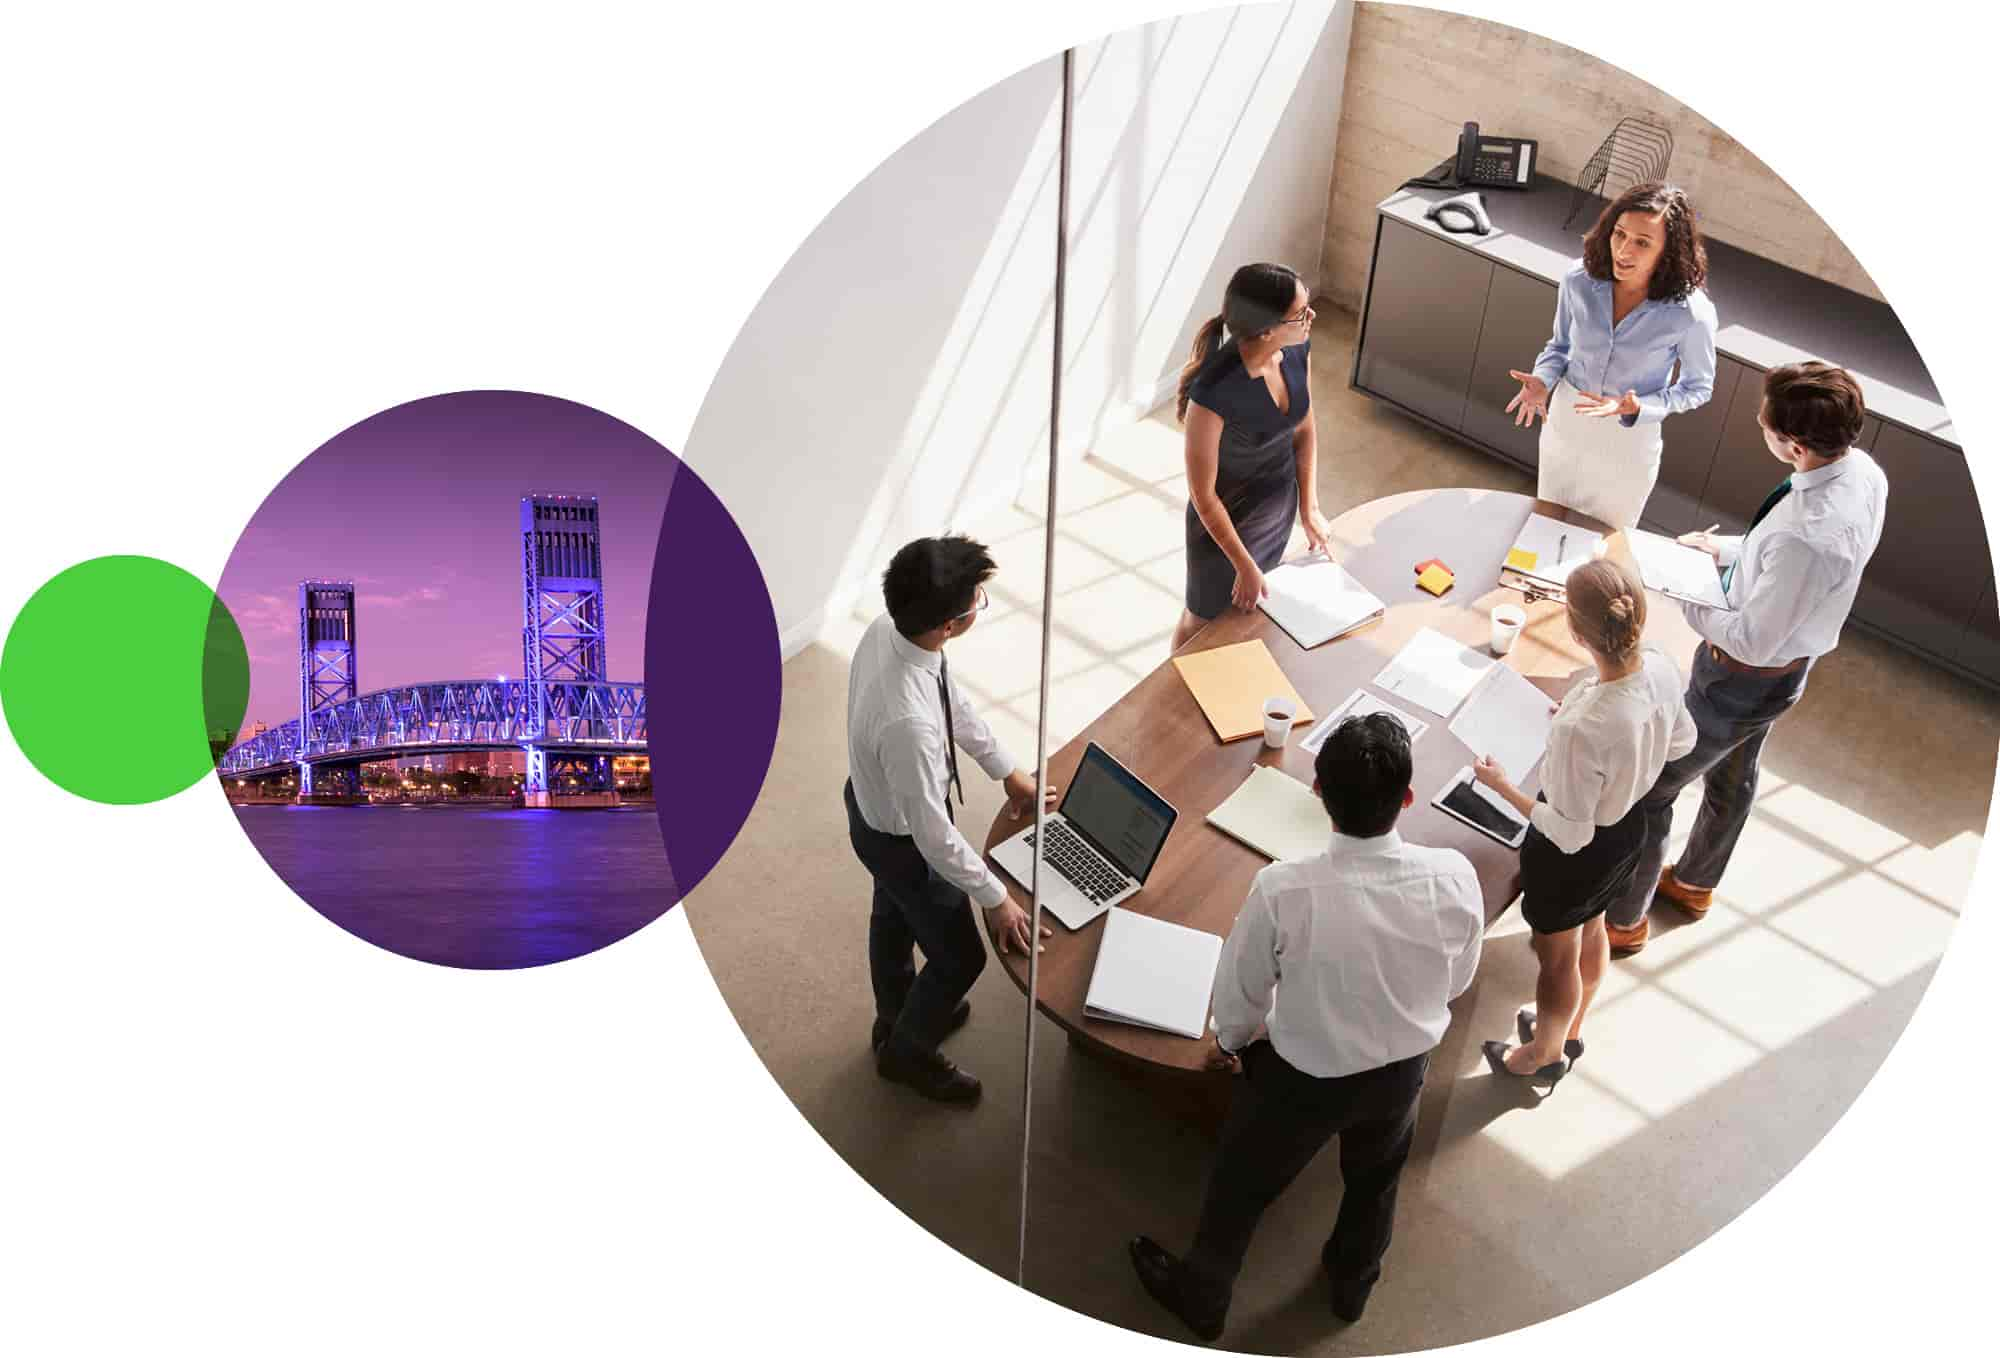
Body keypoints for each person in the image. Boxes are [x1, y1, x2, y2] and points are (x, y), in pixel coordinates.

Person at [1127, 713, 1483, 1340]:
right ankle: (1351, 1288)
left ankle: (1203, 1298)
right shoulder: (1454, 875)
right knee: (1375, 1182)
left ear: (1318, 794)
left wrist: (1230, 1043)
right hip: (1400, 1074)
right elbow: (1457, 979)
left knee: (1240, 1189)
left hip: (1300, 1083)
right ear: (1406, 798)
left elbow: (1239, 995)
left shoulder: (1283, 889)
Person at [1603, 361, 1888, 954]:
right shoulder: (1862, 473)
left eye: (1765, 423)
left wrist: (1686, 595)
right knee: (1733, 772)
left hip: (1740, 679)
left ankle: (1624, 921)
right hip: (1783, 673)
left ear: (1795, 444)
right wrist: (1724, 550)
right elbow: (1776, 556)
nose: (1758, 426)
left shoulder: (1807, 537)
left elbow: (1753, 635)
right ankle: (1694, 883)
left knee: (1653, 788)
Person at [844, 534, 1057, 1103]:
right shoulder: (907, 726)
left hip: (868, 809)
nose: (979, 602)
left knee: (891, 919)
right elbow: (934, 838)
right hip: (899, 837)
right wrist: (997, 897)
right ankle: (908, 1056)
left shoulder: (888, 632)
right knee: (962, 957)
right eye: (976, 600)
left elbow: (951, 702)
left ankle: (894, 1021)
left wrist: (1006, 771)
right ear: (948, 625)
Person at [1467, 560, 1696, 1083]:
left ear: (1574, 630)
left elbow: (1569, 831)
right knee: (1593, 927)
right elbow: (1682, 741)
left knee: (1556, 958)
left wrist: (1502, 785)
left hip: (1573, 855)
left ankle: (1543, 1054)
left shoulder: (1584, 729)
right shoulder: (1659, 668)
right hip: (1627, 834)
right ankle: (1571, 1030)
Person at [1505, 181, 1718, 529]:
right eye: (1619, 234)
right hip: (1567, 423)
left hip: (1627, 440)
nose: (1623, 251)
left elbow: (1698, 388)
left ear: (1668, 252)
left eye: (1642, 243)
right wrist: (1542, 380)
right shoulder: (1579, 280)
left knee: (1603, 546)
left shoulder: (1690, 313)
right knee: (1545, 527)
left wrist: (1639, 407)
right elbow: (1559, 346)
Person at [1171, 262, 1329, 652]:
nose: (1311, 318)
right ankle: (1169, 696)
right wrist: (1242, 563)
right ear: (1266, 329)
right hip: (1223, 532)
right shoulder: (1212, 394)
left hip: (1276, 513)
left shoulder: (1295, 350)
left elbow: (1304, 429)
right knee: (1202, 621)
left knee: (1245, 621)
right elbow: (1203, 495)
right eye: (1301, 314)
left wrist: (1308, 509)